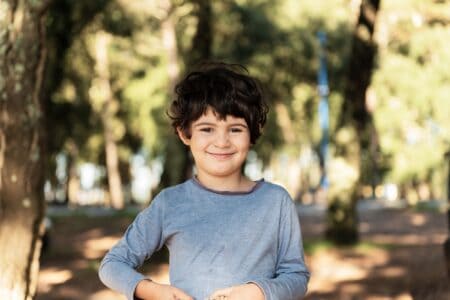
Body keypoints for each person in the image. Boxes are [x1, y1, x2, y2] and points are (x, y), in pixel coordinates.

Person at [98, 62, 310, 300]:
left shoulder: (275, 201)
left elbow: (296, 276)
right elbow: (112, 265)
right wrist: (155, 291)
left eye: (236, 129)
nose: (222, 142)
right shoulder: (170, 203)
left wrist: (259, 292)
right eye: (207, 129)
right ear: (184, 133)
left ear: (252, 133)